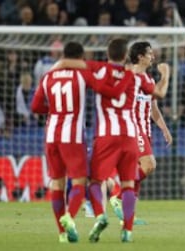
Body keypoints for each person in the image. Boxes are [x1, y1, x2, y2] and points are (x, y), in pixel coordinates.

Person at [31, 41, 132, 243]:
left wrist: (53, 111)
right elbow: (104, 89)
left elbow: (35, 107)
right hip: (73, 136)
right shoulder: (82, 75)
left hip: (51, 135)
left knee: (57, 184)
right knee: (79, 182)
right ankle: (70, 217)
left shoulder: (48, 76)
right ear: (80, 57)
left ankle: (62, 234)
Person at [109, 41, 172, 223]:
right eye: (149, 53)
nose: (153, 56)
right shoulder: (130, 77)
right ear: (140, 57)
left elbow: (154, 108)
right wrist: (166, 76)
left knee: (139, 170)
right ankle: (117, 194)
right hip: (132, 128)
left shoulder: (148, 80)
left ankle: (128, 216)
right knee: (149, 165)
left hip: (145, 129)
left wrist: (165, 129)